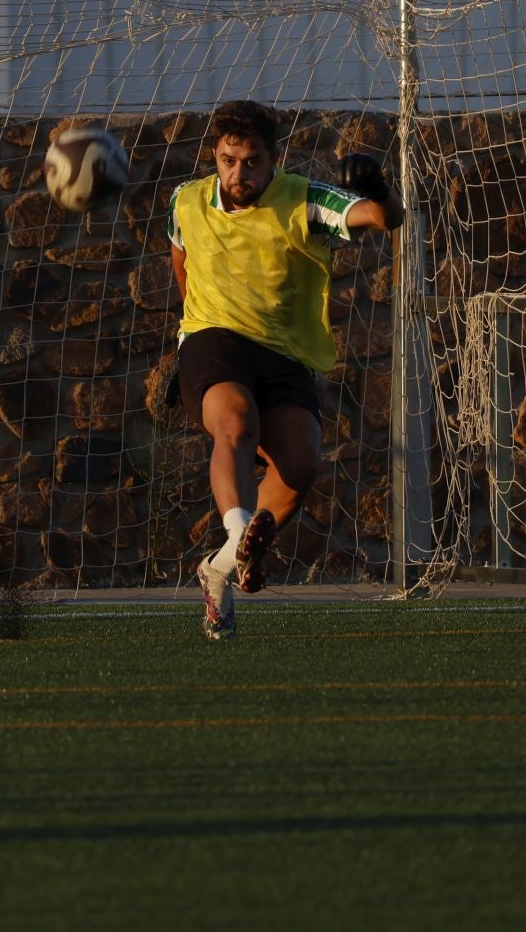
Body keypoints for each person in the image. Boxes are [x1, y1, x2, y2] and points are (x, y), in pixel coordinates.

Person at [170, 99, 404, 640]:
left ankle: (222, 568)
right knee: (234, 421)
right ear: (215, 155)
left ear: (273, 159)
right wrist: (194, 326)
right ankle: (237, 538)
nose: (239, 173)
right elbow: (180, 257)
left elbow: (384, 219)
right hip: (214, 336)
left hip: (284, 350)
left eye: (251, 161)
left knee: (298, 467)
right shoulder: (186, 202)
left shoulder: (302, 199)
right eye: (229, 160)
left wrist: (379, 192)